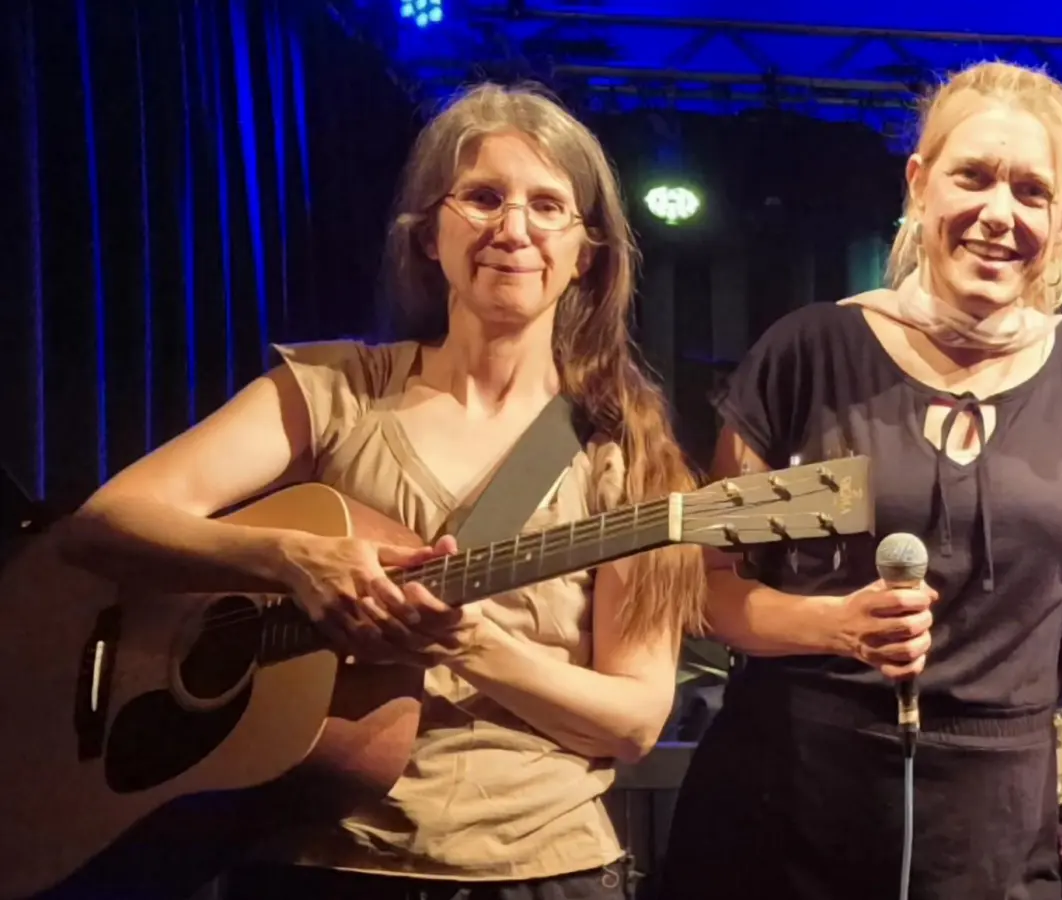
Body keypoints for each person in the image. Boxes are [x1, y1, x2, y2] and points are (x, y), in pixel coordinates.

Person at [56, 82, 704, 899]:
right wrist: (291, 559)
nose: (513, 229)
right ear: (429, 233)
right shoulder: (333, 392)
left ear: (588, 254)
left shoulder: (626, 452)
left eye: (548, 206)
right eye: (482, 197)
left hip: (542, 873)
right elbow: (103, 524)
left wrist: (470, 644)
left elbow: (637, 719)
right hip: (311, 858)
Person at [653, 60, 1062, 900]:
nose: (999, 213)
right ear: (920, 185)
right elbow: (705, 586)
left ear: (1061, 218)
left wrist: (1011, 692)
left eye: (1032, 192)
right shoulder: (808, 350)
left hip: (989, 825)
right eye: (974, 177)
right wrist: (831, 625)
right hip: (790, 803)